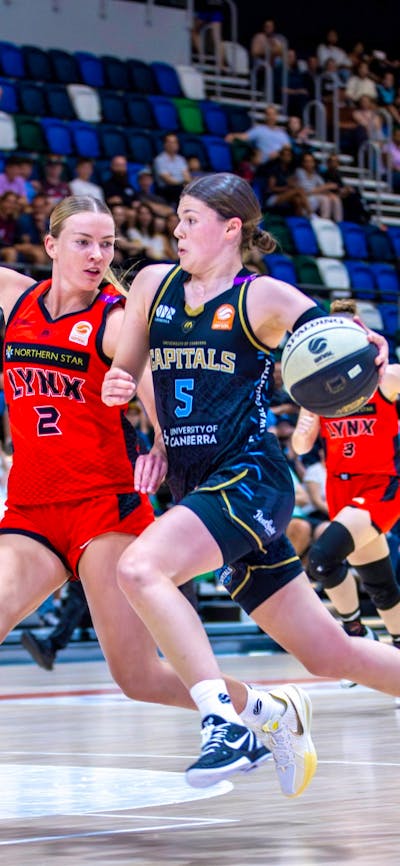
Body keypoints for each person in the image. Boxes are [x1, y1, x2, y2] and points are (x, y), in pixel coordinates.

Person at [0, 193, 318, 801]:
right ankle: (269, 709)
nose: (98, 255)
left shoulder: (118, 320)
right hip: (33, 510)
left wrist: (163, 447)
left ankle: (267, 708)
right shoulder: (17, 299)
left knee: (139, 677)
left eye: (108, 244)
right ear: (50, 246)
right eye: (83, 242)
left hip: (105, 508)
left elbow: (161, 389)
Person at [101, 172, 400, 791]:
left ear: (230, 228)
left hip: (249, 478)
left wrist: (371, 342)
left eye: (190, 219)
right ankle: (276, 713)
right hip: (195, 485)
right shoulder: (154, 284)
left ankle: (226, 725)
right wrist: (140, 414)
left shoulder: (262, 297)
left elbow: (339, 338)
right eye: (177, 218)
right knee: (328, 653)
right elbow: (132, 368)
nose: (175, 230)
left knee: (141, 568)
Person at [292, 297, 400, 689]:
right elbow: (302, 448)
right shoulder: (319, 391)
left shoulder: (383, 377)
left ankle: (356, 636)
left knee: (322, 560)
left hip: (378, 486)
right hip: (340, 488)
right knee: (381, 583)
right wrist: (307, 410)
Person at [153, 133, 191, 208]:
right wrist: (183, 184)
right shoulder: (159, 160)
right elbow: (168, 180)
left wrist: (187, 184)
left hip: (181, 186)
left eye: (175, 142)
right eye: (170, 142)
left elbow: (187, 176)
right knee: (181, 191)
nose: (173, 145)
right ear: (165, 144)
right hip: (166, 189)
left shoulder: (181, 159)